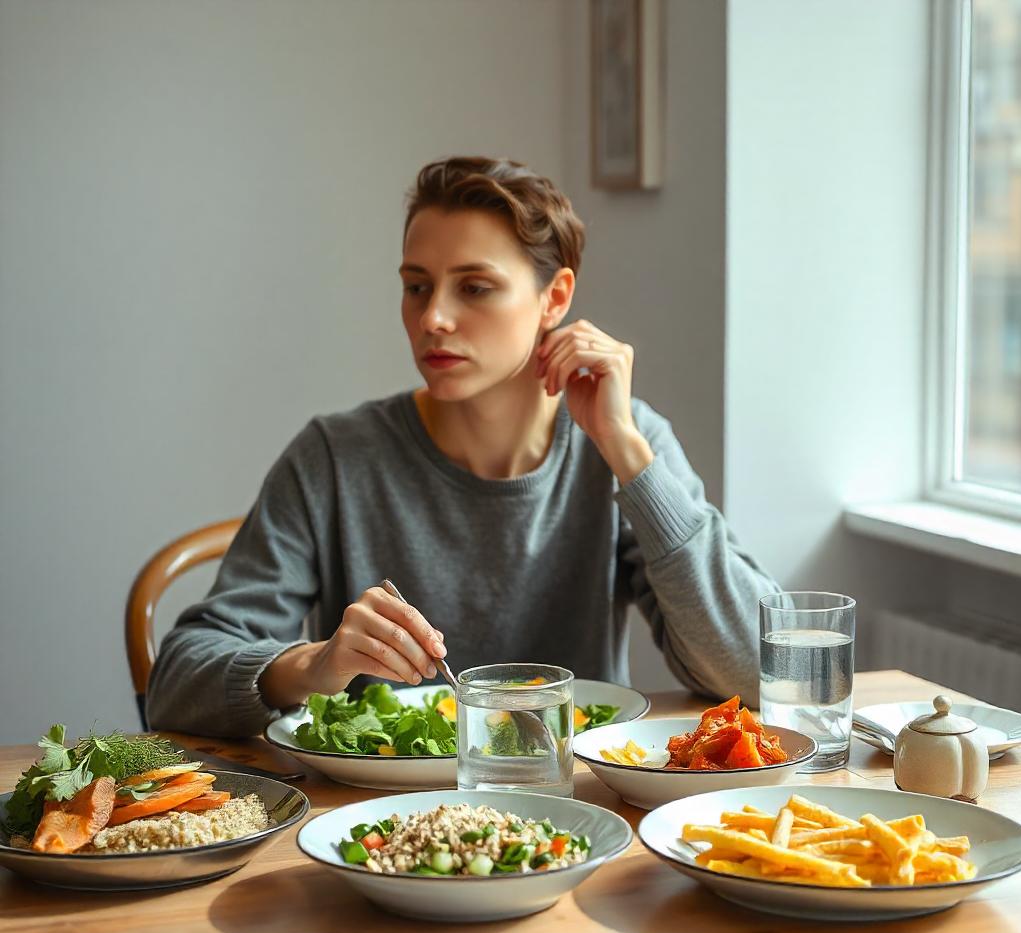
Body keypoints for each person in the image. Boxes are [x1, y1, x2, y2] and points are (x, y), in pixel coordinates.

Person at [146, 156, 779, 737]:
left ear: (554, 298)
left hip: (576, 814)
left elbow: (759, 672)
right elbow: (176, 684)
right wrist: (312, 666)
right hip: (372, 826)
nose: (432, 319)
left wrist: (626, 450)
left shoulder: (624, 440)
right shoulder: (335, 457)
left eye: (474, 287)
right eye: (417, 285)